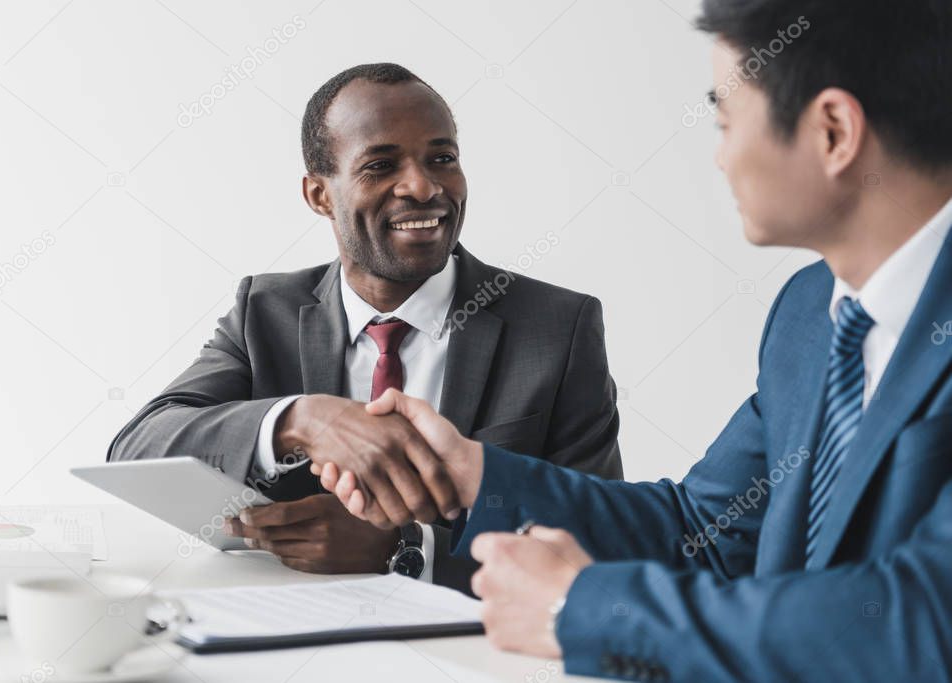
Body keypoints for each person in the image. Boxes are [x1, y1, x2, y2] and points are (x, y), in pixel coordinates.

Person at [314, 1, 952, 679]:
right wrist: (467, 473)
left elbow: (922, 618)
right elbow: (701, 533)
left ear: (831, 132)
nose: (718, 155)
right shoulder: (806, 314)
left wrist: (578, 606)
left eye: (725, 121)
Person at [107, 63, 622, 593]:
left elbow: (600, 541)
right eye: (380, 165)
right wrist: (300, 419)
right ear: (319, 195)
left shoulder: (558, 328)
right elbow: (138, 450)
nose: (423, 187)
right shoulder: (265, 311)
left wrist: (408, 548)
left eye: (441, 159)